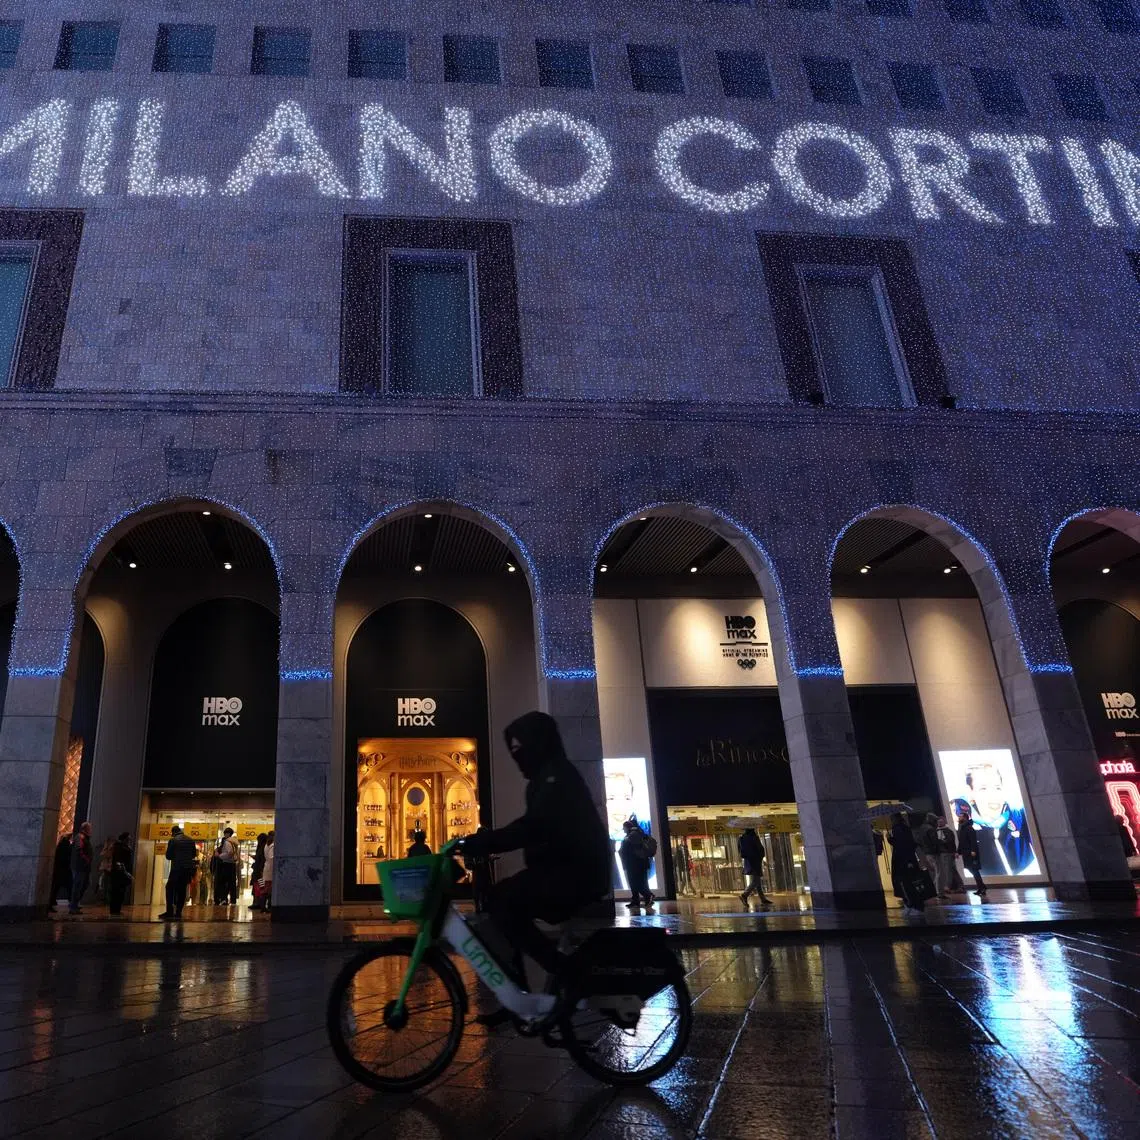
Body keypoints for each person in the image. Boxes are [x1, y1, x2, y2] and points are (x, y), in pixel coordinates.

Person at [460, 711, 609, 1027]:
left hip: (574, 873)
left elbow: (534, 826)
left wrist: (485, 842)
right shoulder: (544, 778)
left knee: (504, 903)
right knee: (502, 903)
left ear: (538, 744)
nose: (517, 756)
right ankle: (516, 995)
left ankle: (563, 973)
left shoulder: (556, 777)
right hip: (558, 870)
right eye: (512, 750)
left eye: (521, 748)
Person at [888, 812, 924, 913]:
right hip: (908, 858)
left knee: (904, 882)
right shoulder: (905, 828)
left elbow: (901, 845)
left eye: (892, 819)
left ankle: (910, 903)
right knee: (910, 881)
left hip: (902, 859)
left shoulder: (897, 829)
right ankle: (914, 903)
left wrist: (890, 839)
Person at [159, 825, 198, 919]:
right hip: (187, 869)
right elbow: (193, 855)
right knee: (182, 889)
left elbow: (168, 856)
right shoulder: (191, 840)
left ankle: (169, 911)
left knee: (169, 888)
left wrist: (176, 857)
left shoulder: (173, 840)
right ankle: (178, 912)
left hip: (176, 868)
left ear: (173, 832)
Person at [619, 818, 654, 910]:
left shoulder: (634, 835)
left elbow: (632, 849)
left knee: (637, 882)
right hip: (636, 864)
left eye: (624, 828)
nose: (623, 830)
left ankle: (648, 896)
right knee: (636, 883)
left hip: (636, 864)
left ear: (627, 827)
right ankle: (636, 901)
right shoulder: (635, 834)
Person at [957, 807, 987, 897]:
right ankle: (981, 887)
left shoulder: (969, 828)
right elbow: (961, 842)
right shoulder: (962, 828)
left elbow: (973, 840)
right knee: (973, 871)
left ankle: (982, 888)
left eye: (961, 816)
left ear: (965, 818)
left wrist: (973, 850)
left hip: (971, 853)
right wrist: (958, 852)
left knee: (975, 870)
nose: (959, 818)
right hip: (966, 853)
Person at [738, 827, 772, 908]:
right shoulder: (754, 838)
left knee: (757, 880)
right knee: (756, 880)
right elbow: (760, 849)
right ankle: (744, 895)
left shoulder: (741, 838)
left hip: (748, 861)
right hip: (755, 860)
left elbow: (741, 851)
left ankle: (763, 898)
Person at [68, 821, 93, 915]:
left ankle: (75, 903)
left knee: (85, 884)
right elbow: (79, 850)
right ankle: (73, 906)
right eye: (89, 828)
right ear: (84, 829)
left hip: (84, 867)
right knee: (78, 885)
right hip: (80, 866)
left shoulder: (84, 838)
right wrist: (86, 860)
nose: (91, 830)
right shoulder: (80, 837)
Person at [935, 815, 962, 897]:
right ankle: (961, 886)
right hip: (944, 853)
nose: (939, 823)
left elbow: (951, 842)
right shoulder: (937, 831)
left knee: (948, 870)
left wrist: (954, 852)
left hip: (947, 853)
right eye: (938, 821)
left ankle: (947, 886)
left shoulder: (948, 831)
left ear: (944, 822)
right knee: (953, 870)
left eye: (941, 821)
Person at [108, 832, 133, 916]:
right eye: (128, 839)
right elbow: (119, 862)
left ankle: (116, 910)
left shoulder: (123, 847)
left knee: (120, 893)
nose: (129, 840)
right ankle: (115, 910)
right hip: (119, 874)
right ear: (124, 839)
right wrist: (126, 872)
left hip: (120, 873)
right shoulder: (120, 848)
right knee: (117, 892)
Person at [213, 827, 239, 906]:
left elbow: (230, 853)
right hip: (232, 864)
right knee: (231, 883)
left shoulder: (228, 842)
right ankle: (233, 900)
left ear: (227, 834)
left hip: (226, 864)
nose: (224, 835)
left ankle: (224, 899)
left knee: (223, 882)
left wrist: (219, 856)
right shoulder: (234, 842)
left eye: (225, 833)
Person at [48, 832, 72, 913]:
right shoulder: (65, 845)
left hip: (58, 869)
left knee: (56, 887)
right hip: (62, 869)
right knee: (63, 886)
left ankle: (52, 902)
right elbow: (66, 858)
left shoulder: (60, 845)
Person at [250, 833, 268, 911]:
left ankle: (259, 903)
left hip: (259, 872)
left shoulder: (262, 848)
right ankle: (259, 903)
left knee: (259, 887)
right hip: (259, 871)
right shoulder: (264, 847)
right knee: (259, 887)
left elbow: (261, 860)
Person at [262, 830, 275, 912]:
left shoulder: (267, 845)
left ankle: (264, 906)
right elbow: (271, 857)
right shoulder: (272, 845)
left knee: (267, 888)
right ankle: (267, 906)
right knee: (269, 889)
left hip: (267, 868)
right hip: (270, 870)